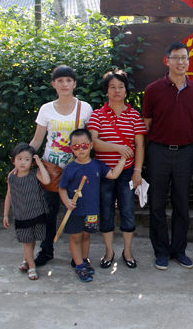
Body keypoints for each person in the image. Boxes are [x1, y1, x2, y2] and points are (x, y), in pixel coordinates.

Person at [143, 42, 193, 271]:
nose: (181, 62)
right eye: (176, 57)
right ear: (167, 60)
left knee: (181, 204)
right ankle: (161, 252)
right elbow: (146, 124)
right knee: (157, 204)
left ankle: (179, 251)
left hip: (184, 153)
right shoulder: (153, 89)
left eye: (184, 58)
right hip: (158, 152)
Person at [29, 65, 93, 267]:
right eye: (60, 80)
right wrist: (23, 160)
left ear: (74, 83)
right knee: (49, 212)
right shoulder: (46, 109)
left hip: (77, 170)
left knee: (77, 212)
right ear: (53, 84)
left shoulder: (85, 108)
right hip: (51, 170)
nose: (64, 84)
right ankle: (46, 250)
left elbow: (91, 140)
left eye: (68, 80)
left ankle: (78, 256)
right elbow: (38, 139)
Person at [88, 70, 147, 269]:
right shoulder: (97, 115)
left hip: (127, 172)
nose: (116, 90)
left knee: (128, 211)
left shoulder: (134, 115)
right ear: (106, 91)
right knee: (106, 212)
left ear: (126, 90)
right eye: (112, 87)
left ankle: (127, 252)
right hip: (104, 172)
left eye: (120, 86)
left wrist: (137, 171)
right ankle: (109, 252)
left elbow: (140, 145)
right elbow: (93, 143)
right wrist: (117, 147)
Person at [59, 129, 126, 283]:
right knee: (75, 237)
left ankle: (83, 260)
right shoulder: (69, 168)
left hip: (91, 211)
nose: (80, 149)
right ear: (71, 148)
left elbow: (113, 175)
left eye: (84, 145)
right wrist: (66, 201)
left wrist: (123, 158)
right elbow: (61, 188)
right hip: (74, 211)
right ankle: (79, 266)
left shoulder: (97, 165)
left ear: (91, 145)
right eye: (76, 146)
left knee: (86, 236)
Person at [3, 144, 51, 280]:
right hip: (21, 216)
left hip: (37, 213)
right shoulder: (11, 177)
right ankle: (32, 266)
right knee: (26, 241)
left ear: (32, 161)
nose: (23, 162)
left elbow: (47, 180)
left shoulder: (35, 174)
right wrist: (5, 214)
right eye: (19, 158)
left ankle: (26, 259)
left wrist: (40, 164)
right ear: (13, 160)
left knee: (32, 239)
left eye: (27, 159)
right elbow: (8, 196)